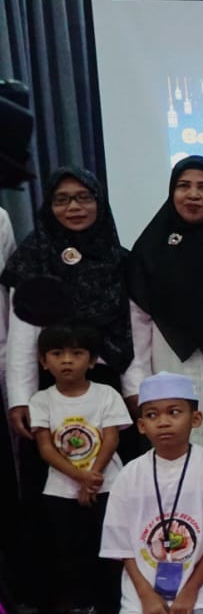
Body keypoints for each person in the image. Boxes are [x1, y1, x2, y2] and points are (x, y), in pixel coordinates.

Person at [100, 373, 203, 614]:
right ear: (141, 425)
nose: (163, 422)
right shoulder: (129, 474)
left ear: (195, 419)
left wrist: (190, 591)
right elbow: (122, 547)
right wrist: (147, 596)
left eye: (174, 412)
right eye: (152, 415)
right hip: (148, 583)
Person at [124, 157, 203, 452]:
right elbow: (137, 322)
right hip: (168, 360)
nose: (193, 194)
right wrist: (136, 385)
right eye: (183, 186)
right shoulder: (151, 247)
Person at [4, 168, 133, 439]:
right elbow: (22, 335)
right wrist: (21, 398)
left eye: (83, 197)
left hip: (109, 380)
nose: (73, 207)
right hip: (50, 384)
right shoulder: (33, 257)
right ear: (49, 206)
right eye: (61, 199)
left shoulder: (119, 260)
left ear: (99, 202)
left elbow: (130, 331)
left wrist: (135, 391)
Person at [30, 324, 132, 614]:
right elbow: (46, 448)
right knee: (73, 551)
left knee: (113, 546)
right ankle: (84, 606)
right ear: (43, 361)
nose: (67, 360)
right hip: (61, 491)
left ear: (92, 360)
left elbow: (111, 438)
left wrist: (93, 478)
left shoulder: (106, 394)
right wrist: (81, 478)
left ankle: (121, 604)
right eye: (57, 353)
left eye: (76, 353)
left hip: (109, 485)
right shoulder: (41, 400)